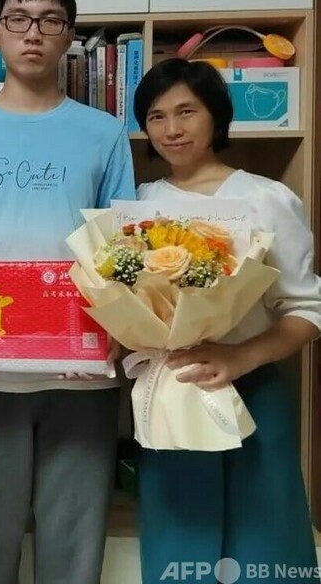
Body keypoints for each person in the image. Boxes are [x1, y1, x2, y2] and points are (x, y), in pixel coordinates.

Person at [0, 0, 135, 584]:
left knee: (74, 549)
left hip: (81, 366)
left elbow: (120, 247)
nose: (33, 33)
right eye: (18, 20)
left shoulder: (105, 135)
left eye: (50, 20)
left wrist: (117, 326)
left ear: (70, 33)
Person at [132, 58, 321, 583]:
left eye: (187, 111)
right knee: (178, 547)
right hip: (170, 391)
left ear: (216, 115)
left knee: (264, 546)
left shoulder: (267, 198)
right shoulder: (139, 205)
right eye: (156, 116)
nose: (172, 129)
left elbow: (306, 310)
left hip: (253, 389)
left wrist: (240, 357)